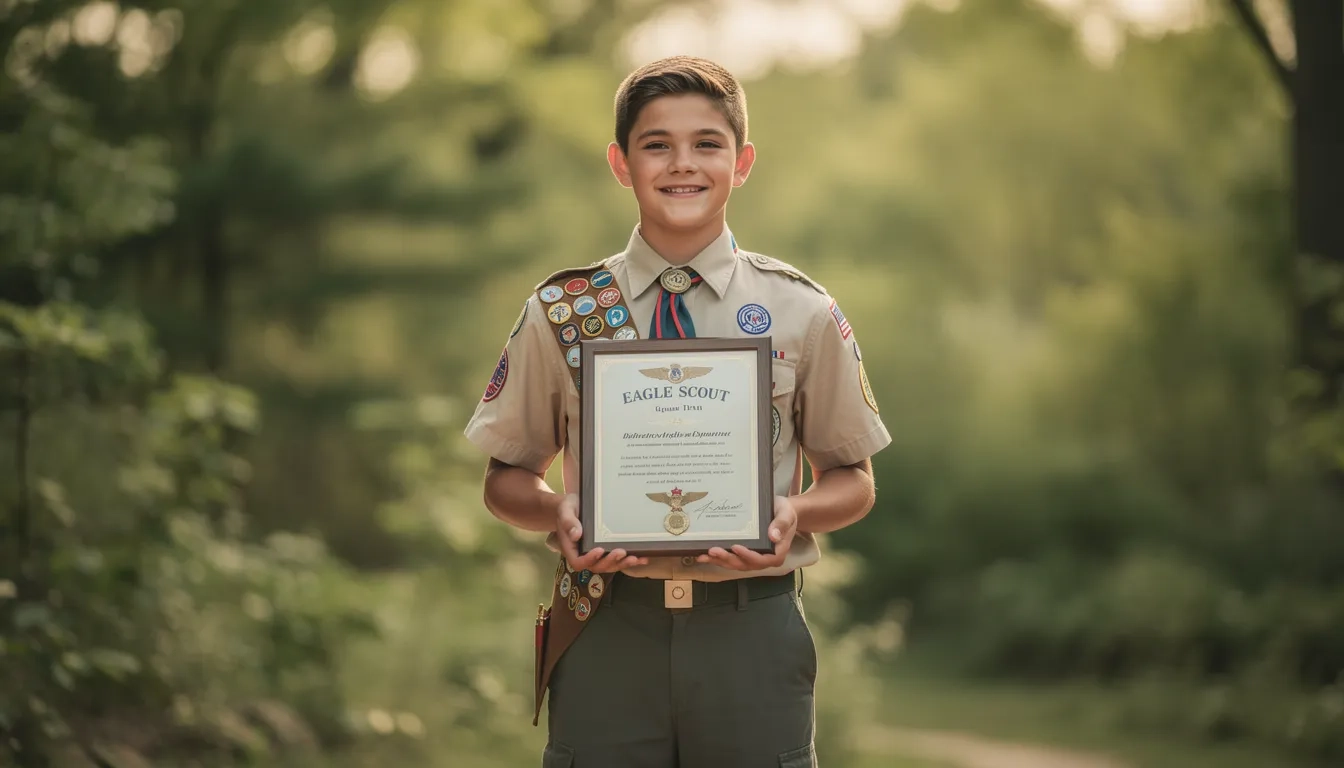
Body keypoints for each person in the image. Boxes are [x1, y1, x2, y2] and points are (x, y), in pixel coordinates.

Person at [463, 55, 890, 768]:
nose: (681, 164)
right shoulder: (564, 311)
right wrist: (556, 514)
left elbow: (854, 478)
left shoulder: (800, 311)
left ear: (743, 162)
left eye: (707, 144)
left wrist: (795, 515)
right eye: (656, 144)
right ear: (621, 164)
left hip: (750, 630)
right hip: (606, 625)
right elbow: (506, 478)